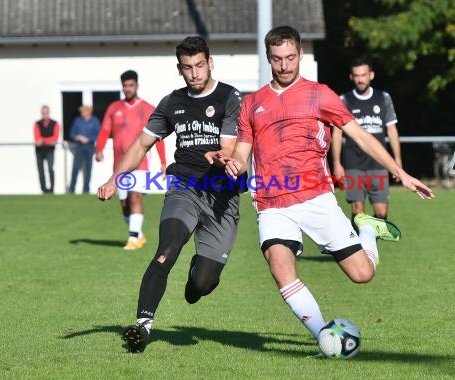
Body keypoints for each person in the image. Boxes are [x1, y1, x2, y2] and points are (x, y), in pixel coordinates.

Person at [222, 26, 433, 343]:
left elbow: (360, 136)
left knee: (362, 274)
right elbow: (241, 152)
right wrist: (232, 164)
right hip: (271, 203)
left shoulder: (319, 94)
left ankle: (366, 228)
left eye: (290, 57)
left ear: (300, 55)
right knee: (280, 267)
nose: (284, 65)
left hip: (315, 197)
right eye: (277, 59)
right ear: (268, 58)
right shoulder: (252, 103)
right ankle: (325, 336)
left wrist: (400, 173)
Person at [97, 36, 242, 353]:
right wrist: (115, 179)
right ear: (180, 69)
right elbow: (140, 145)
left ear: (210, 62)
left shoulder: (230, 97)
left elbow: (230, 147)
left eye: (200, 65)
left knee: (203, 284)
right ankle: (142, 327)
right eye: (188, 67)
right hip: (183, 188)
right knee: (167, 248)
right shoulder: (171, 103)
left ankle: (196, 275)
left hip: (221, 196)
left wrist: (220, 156)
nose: (195, 73)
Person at [96, 70, 167, 250]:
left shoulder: (148, 108)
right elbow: (105, 131)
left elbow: (157, 136)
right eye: (125, 86)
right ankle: (139, 235)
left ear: (137, 86)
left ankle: (133, 238)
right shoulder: (114, 108)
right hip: (119, 165)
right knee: (124, 203)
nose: (128, 89)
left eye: (131, 85)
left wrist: (163, 161)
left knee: (135, 197)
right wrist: (99, 149)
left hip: (140, 163)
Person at [332, 58, 402, 220]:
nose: (360, 79)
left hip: (379, 164)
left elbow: (391, 130)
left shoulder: (383, 98)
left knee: (381, 214)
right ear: (351, 77)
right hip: (354, 165)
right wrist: (337, 163)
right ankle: (360, 245)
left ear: (371, 75)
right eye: (356, 76)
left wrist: (397, 161)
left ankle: (371, 245)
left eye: (363, 75)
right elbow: (337, 133)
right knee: (358, 212)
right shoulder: (344, 100)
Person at [68, 105, 101, 194]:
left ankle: (86, 190)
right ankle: (71, 189)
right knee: (75, 168)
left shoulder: (95, 121)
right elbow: (72, 133)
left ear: (89, 112)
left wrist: (89, 139)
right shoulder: (77, 120)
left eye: (83, 111)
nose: (82, 113)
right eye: (81, 111)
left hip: (90, 147)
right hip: (79, 147)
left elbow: (98, 134)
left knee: (88, 169)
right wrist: (77, 137)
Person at [34, 105, 60, 193]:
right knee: (41, 170)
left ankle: (52, 189)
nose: (45, 114)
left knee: (50, 168)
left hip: (50, 150)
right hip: (39, 150)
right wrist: (47, 140)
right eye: (43, 112)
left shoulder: (55, 123)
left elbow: (55, 138)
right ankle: (44, 189)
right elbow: (37, 137)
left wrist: (43, 140)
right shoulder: (37, 124)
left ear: (49, 113)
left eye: (46, 112)